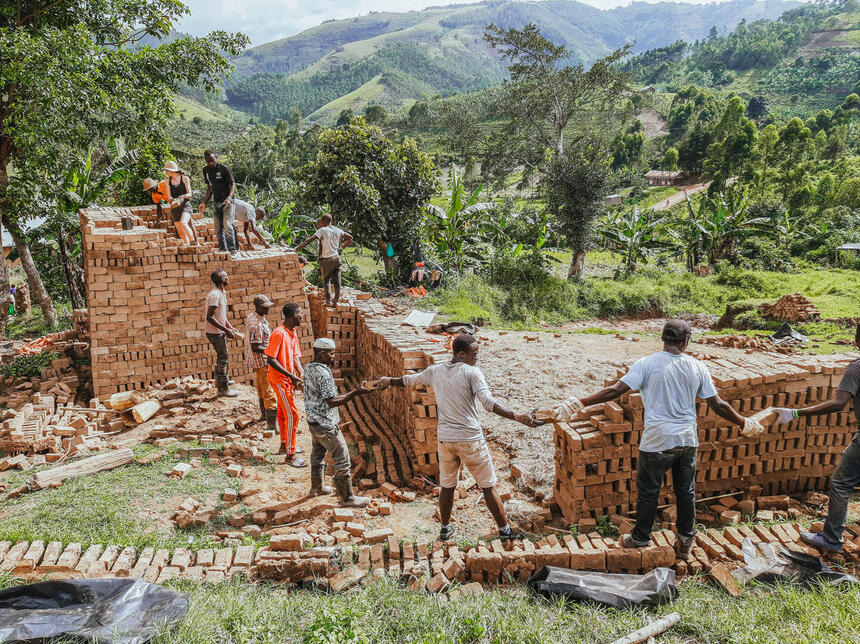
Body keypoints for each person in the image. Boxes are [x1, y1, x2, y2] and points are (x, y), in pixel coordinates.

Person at [548, 320, 763, 560]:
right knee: (686, 492)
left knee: (649, 492)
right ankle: (685, 542)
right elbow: (718, 404)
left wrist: (579, 403)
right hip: (687, 440)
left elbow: (615, 391)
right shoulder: (697, 367)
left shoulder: (646, 364)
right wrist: (743, 422)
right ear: (685, 342)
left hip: (657, 441)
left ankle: (640, 538)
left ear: (663, 339)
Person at [377, 332, 540, 541]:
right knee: (488, 485)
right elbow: (488, 403)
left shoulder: (435, 371)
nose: (476, 357)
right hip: (470, 439)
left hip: (446, 440)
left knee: (447, 486)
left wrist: (388, 381)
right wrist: (517, 416)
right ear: (461, 354)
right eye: (474, 353)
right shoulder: (472, 372)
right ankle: (505, 532)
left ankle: (445, 528)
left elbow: (409, 380)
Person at [772, 322, 860, 553]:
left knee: (842, 483)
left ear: (856, 342)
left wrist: (795, 413)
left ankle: (831, 539)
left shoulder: (856, 368)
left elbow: (839, 403)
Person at [303, 337, 372, 507]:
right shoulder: (323, 374)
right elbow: (332, 401)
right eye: (331, 354)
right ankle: (347, 498)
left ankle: (316, 488)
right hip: (326, 425)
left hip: (313, 421)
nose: (333, 357)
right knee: (342, 459)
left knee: (318, 455)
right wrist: (356, 391)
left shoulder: (309, 367)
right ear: (321, 353)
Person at [265, 302, 307, 467]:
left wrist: (301, 373)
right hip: (279, 380)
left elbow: (295, 356)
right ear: (295, 316)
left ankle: (285, 445)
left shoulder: (292, 332)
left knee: (283, 413)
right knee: (293, 415)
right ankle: (290, 455)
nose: (302, 316)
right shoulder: (279, 333)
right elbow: (270, 358)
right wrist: (291, 376)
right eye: (300, 313)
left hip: (288, 380)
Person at [294, 214, 352, 306]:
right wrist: (341, 248)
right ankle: (335, 301)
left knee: (326, 280)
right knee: (337, 281)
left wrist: (296, 249)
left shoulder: (322, 230)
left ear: (323, 221)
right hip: (337, 258)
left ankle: (328, 302)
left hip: (327, 260)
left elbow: (309, 240)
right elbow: (350, 238)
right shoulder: (337, 230)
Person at [205, 270, 241, 397]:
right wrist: (226, 330)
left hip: (219, 331)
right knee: (223, 358)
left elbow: (221, 315)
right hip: (215, 332)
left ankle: (222, 381)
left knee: (222, 356)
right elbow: (209, 317)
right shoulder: (215, 295)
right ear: (221, 280)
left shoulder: (221, 292)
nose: (228, 278)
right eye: (226, 276)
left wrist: (230, 327)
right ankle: (223, 389)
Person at [245, 293, 278, 434]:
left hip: (257, 362)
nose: (268, 309)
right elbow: (256, 346)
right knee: (269, 392)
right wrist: (272, 350)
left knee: (261, 388)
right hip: (263, 362)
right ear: (258, 307)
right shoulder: (257, 324)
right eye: (265, 307)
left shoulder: (252, 317)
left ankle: (264, 416)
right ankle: (272, 425)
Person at [199, 150, 238, 254]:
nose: (210, 163)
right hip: (216, 202)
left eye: (212, 160)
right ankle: (222, 250)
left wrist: (229, 198)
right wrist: (204, 202)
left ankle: (232, 251)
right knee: (218, 228)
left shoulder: (224, 168)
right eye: (208, 161)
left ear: (216, 157)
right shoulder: (206, 170)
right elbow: (210, 187)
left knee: (227, 225)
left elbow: (232, 184)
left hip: (227, 202)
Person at [161, 161, 199, 246]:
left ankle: (193, 242)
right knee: (179, 229)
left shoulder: (184, 178)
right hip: (175, 206)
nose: (166, 172)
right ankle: (187, 245)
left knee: (183, 223)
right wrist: (173, 199)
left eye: (167, 170)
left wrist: (182, 197)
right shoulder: (167, 180)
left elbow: (189, 194)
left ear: (172, 170)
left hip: (185, 205)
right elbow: (169, 196)